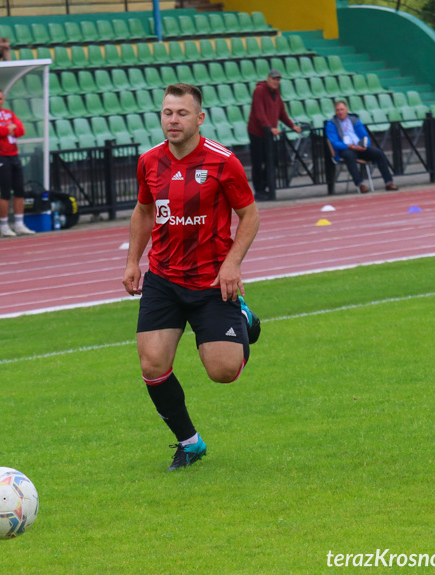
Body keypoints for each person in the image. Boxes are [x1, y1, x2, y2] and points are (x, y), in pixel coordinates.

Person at [122, 83, 262, 471]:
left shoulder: (223, 161)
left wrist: (232, 264)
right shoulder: (149, 161)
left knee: (223, 372)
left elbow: (250, 215)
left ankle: (243, 316)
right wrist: (133, 262)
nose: (173, 120)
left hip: (211, 283)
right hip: (163, 279)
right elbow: (143, 211)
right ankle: (190, 443)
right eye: (168, 112)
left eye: (182, 113)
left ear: (199, 118)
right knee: (152, 365)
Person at [0, 88, 35, 237]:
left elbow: (21, 130)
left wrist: (9, 128)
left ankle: (19, 224)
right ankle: (4, 225)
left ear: (3, 99)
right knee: (5, 192)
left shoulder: (9, 113)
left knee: (20, 190)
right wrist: (9, 128)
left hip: (14, 154)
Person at [247, 69, 301, 201]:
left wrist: (292, 125)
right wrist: (269, 127)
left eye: (278, 79)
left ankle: (267, 186)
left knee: (273, 160)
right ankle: (259, 191)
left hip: (269, 132)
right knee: (258, 162)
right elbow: (259, 112)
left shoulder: (276, 92)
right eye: (274, 79)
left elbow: (281, 111)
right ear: (268, 79)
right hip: (257, 132)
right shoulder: (259, 90)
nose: (276, 81)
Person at [326, 100, 398, 193]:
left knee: (378, 153)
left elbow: (364, 136)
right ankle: (360, 184)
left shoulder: (355, 119)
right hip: (345, 149)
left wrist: (364, 145)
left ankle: (388, 182)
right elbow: (334, 143)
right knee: (349, 155)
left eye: (342, 109)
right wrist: (349, 146)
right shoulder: (331, 123)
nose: (340, 112)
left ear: (347, 110)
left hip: (359, 147)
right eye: (337, 110)